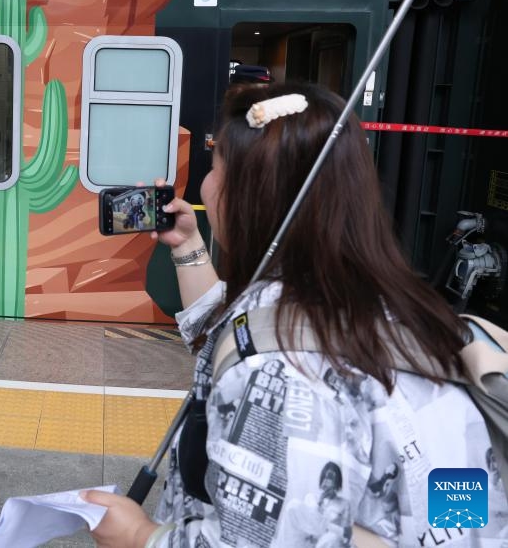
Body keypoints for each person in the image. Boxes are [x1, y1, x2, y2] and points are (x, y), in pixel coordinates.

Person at [82, 82, 507, 545]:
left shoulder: (279, 372)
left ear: (251, 195)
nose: (204, 184)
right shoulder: (393, 303)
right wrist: (188, 246)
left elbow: (265, 539)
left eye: (216, 168)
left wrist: (141, 536)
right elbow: (239, 337)